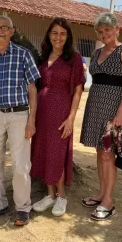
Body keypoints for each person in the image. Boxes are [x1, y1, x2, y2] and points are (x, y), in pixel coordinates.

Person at [0, 15, 40, 226]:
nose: (1, 31)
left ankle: (23, 207)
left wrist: (31, 119)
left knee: (20, 162)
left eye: (5, 27)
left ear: (12, 31)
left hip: (19, 115)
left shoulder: (24, 55)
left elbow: (33, 88)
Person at [80, 12, 122, 221]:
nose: (104, 33)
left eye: (107, 29)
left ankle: (108, 201)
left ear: (117, 29)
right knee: (99, 152)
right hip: (96, 107)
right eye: (100, 31)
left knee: (108, 155)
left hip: (114, 110)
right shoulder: (96, 53)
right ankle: (100, 193)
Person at [31, 18, 84, 217]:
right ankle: (50, 194)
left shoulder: (74, 58)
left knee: (57, 153)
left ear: (68, 36)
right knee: (44, 150)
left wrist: (71, 118)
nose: (58, 37)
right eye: (54, 33)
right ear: (49, 35)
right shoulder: (43, 56)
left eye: (62, 33)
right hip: (42, 111)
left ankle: (62, 196)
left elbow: (78, 91)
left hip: (61, 110)